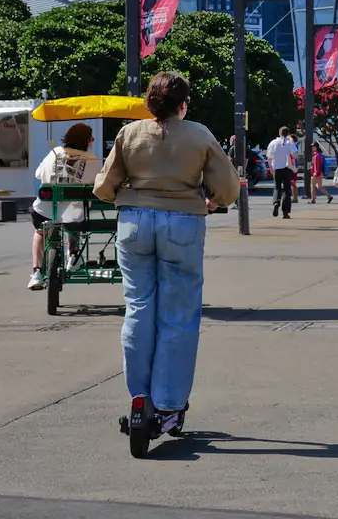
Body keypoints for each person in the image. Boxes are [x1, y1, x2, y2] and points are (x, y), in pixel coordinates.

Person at [93, 71, 240, 435]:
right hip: (182, 222)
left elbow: (104, 186)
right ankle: (169, 404)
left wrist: (128, 194)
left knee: (138, 305)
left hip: (134, 223)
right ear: (183, 105)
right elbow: (227, 187)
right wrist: (212, 200)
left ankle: (139, 395)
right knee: (179, 313)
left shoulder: (129, 133)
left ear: (150, 103)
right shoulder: (199, 134)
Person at [26, 122, 102, 290]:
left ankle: (36, 272)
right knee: (73, 220)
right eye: (92, 140)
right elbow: (99, 182)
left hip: (45, 210)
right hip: (74, 214)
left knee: (40, 232)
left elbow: (38, 174)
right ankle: (73, 256)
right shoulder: (91, 159)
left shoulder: (55, 152)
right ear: (87, 141)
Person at [266, 127, 298, 218]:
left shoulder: (273, 143)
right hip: (287, 168)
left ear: (279, 133)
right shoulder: (290, 143)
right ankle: (285, 212)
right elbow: (294, 155)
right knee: (287, 189)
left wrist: (271, 168)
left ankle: (276, 202)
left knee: (277, 187)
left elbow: (269, 158)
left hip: (276, 168)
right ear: (288, 134)